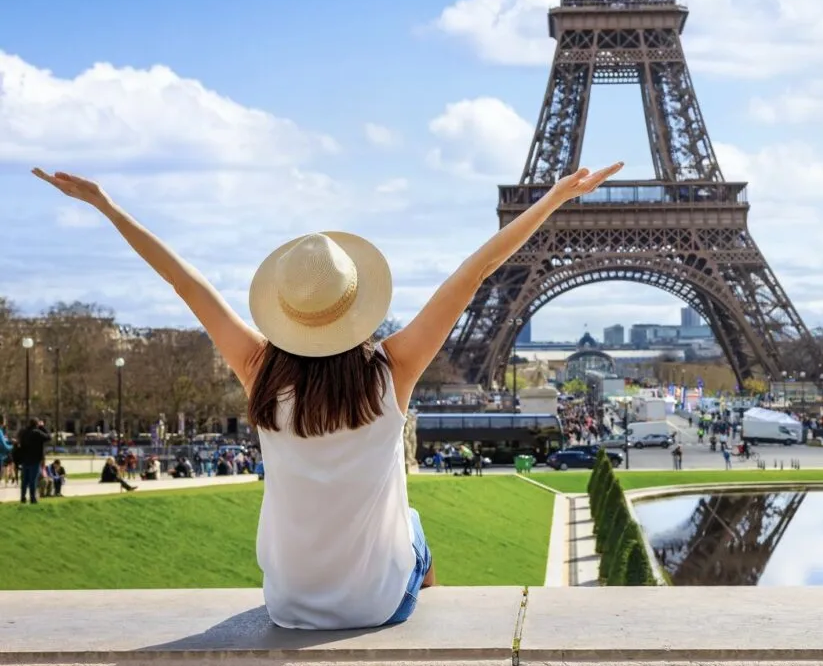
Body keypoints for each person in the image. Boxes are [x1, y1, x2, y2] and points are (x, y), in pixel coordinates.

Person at [32, 160, 622, 629]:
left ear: (287, 311)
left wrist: (106, 206)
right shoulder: (393, 369)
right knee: (413, 524)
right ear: (356, 304)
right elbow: (475, 273)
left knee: (404, 525)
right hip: (377, 605)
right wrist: (553, 200)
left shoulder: (258, 367)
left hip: (286, 604)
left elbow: (184, 281)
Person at [16, 418, 51, 504]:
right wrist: (42, 427)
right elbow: (48, 437)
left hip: (25, 459)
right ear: (36, 424)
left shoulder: (24, 432)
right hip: (35, 460)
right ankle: (32, 498)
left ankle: (23, 497)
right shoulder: (37, 433)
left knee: (24, 481)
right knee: (33, 480)